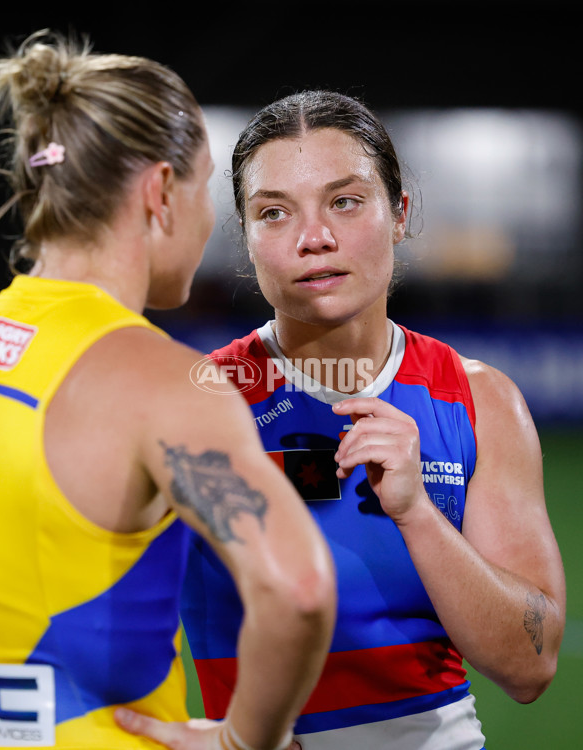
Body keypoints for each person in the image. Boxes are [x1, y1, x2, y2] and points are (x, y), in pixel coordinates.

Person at [120, 90, 566, 750]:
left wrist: (417, 512)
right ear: (246, 237)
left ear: (400, 214)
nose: (314, 238)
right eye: (274, 212)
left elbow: (531, 665)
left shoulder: (481, 400)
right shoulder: (196, 399)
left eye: (345, 201)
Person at [0, 35, 337, 750]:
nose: (212, 222)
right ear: (157, 193)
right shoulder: (167, 381)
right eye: (205, 189)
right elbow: (297, 590)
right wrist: (246, 741)